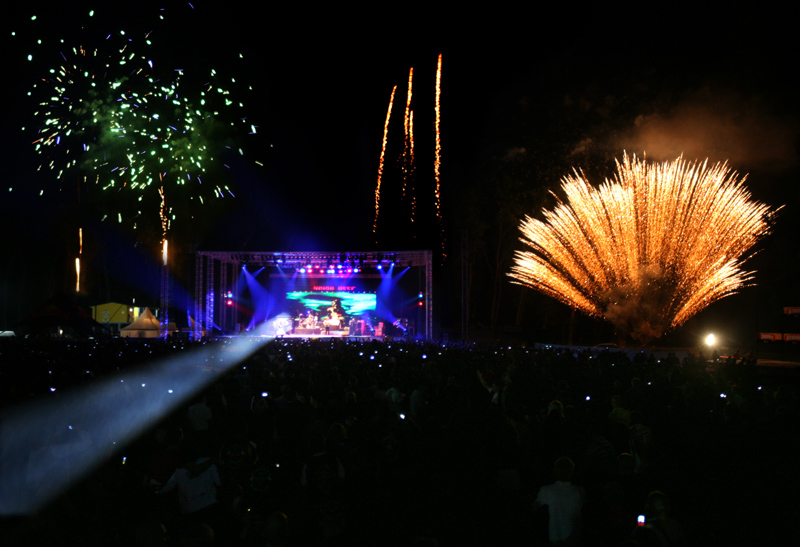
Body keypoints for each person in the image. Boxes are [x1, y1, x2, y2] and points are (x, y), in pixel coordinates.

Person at [534, 456, 586, 545]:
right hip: (574, 539)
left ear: (555, 470)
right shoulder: (579, 492)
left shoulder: (546, 491)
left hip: (555, 539)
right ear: (572, 471)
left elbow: (535, 508)